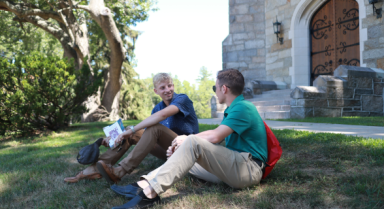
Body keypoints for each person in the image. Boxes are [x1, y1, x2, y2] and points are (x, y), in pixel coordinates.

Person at [111, 68, 268, 209]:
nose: (215, 92)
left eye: (215, 88)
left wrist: (187, 139)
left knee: (191, 142)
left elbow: (215, 136)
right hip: (232, 169)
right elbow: (217, 137)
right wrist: (183, 147)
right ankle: (142, 184)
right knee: (185, 155)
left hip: (248, 169)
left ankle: (149, 195)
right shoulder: (234, 108)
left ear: (224, 89)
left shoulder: (244, 107)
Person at [64, 73, 199, 184]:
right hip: (168, 152)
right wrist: (119, 136)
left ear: (173, 86)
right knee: (130, 133)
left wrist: (132, 130)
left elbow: (162, 116)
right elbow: (147, 136)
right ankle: (95, 168)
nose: (167, 90)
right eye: (162, 87)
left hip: (187, 150)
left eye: (169, 86)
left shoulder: (182, 99)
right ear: (156, 91)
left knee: (148, 128)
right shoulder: (157, 108)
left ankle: (119, 172)